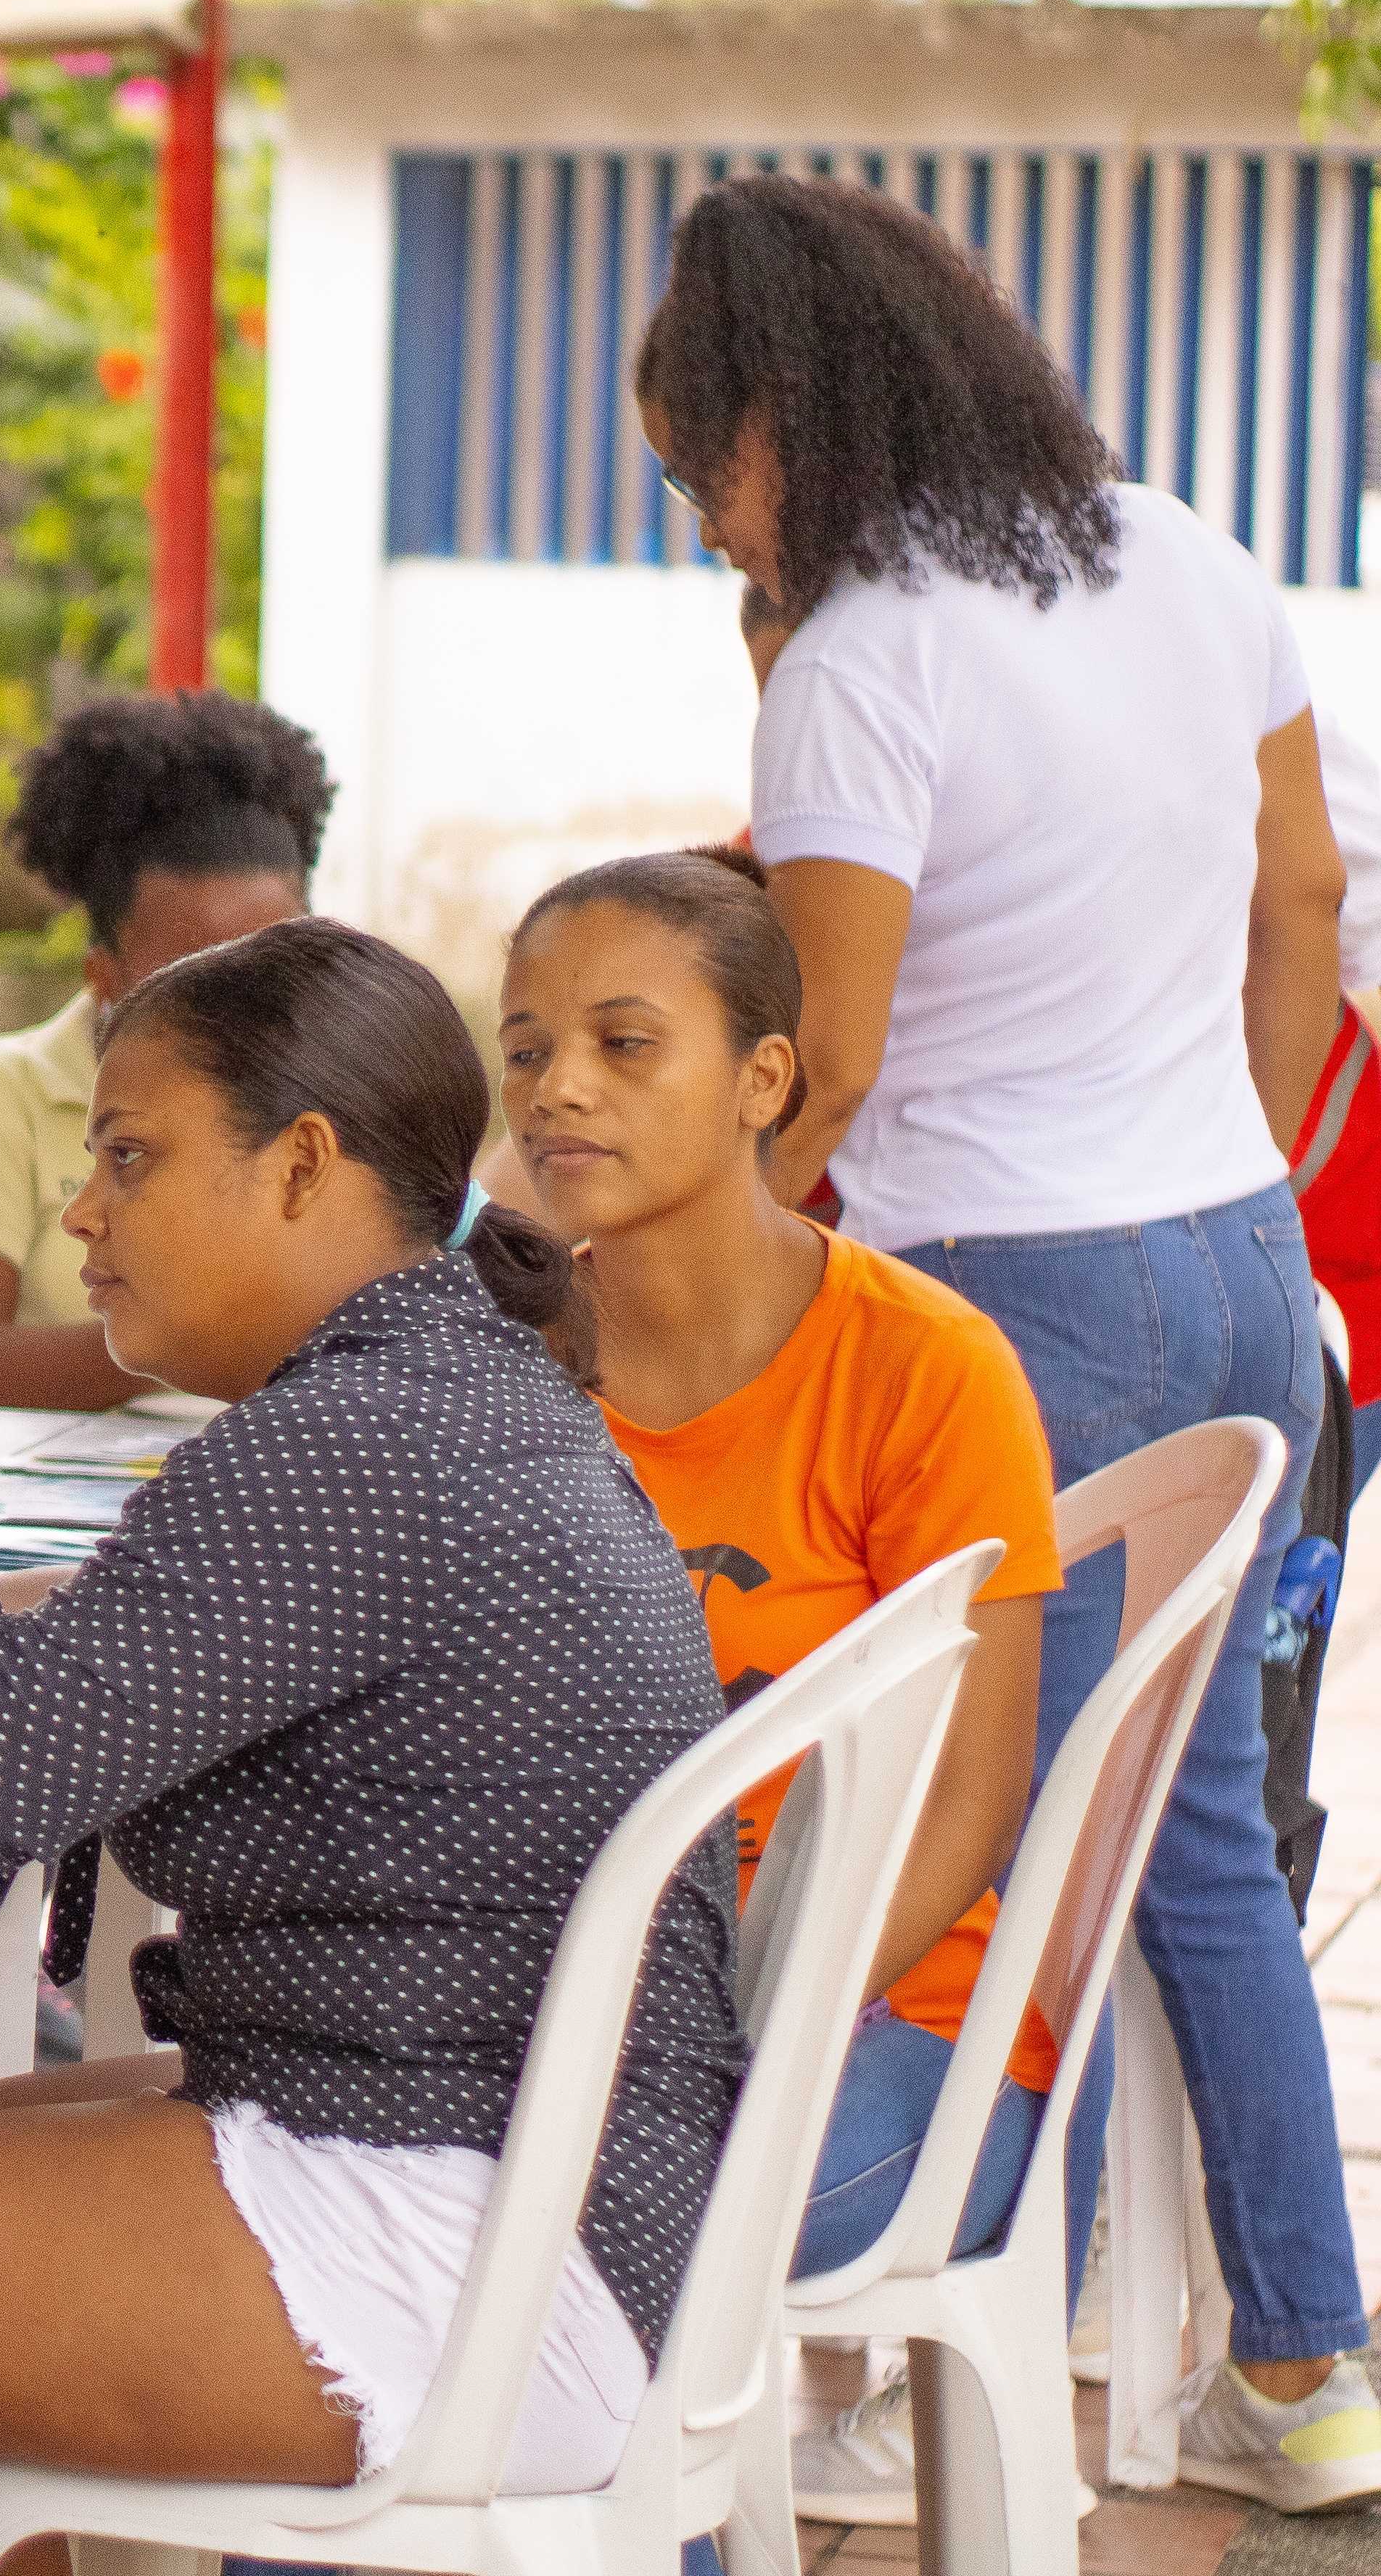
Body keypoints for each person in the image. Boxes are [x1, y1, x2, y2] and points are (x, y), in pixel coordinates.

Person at [641, 170, 1377, 2510]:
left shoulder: (865, 656)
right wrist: (1219, 1152)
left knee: (985, 1832)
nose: (705, 525)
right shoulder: (1183, 553)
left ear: (790, 412)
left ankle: (955, 2375)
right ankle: (1308, 2367)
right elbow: (1301, 902)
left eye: (703, 469)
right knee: (1186, 1834)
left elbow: (828, 1061)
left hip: (1008, 1301)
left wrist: (696, 1289)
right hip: (1241, 1266)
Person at [0, 916, 743, 2576]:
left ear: (302, 1165)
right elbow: (151, 1629)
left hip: (474, 2235)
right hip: (555, 2181)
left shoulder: (350, 1437)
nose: (82, 1209)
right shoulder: (453, 1391)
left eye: (131, 1154)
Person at [498, 846, 1063, 2522]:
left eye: (623, 1041)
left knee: (562, 2241)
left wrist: (724, 2024)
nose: (559, 1087)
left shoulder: (925, 1367)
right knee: (353, 2225)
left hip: (893, 2021)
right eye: (526, 1048)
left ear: (764, 1080)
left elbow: (971, 1800)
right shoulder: (495, 1364)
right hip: (555, 2016)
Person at [0, 692, 331, 1411]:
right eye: (194, 977)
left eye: (277, 962)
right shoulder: (5, 1094)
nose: (244, 1005)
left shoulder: (346, 1097)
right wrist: (215, 1333)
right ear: (103, 975)